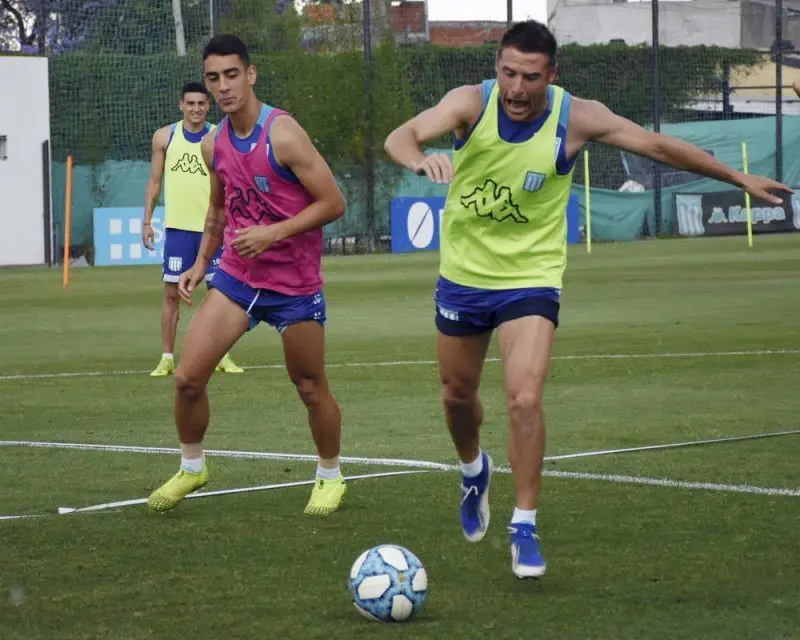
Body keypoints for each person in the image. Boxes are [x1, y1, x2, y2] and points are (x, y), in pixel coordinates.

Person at [384, 20, 792, 579]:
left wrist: (734, 175)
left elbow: (653, 144)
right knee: (457, 398)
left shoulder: (576, 116)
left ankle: (524, 526)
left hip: (531, 276)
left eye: (530, 76)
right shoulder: (468, 104)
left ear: (552, 75)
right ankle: (473, 469)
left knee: (525, 399)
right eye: (508, 73)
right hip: (464, 275)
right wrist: (418, 159)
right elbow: (402, 135)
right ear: (496, 68)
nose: (517, 88)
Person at [147, 34, 347, 516]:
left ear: (251, 75)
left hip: (294, 286)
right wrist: (200, 263)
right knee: (188, 378)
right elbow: (218, 208)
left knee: (309, 385)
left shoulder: (283, 134)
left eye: (231, 75)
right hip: (237, 278)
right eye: (213, 78)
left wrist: (273, 233)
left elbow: (334, 203)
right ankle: (193, 468)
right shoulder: (213, 142)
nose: (223, 86)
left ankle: (330, 474)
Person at [143, 81, 243, 377]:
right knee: (171, 294)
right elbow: (155, 182)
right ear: (181, 105)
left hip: (213, 230)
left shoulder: (218, 137)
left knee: (220, 294)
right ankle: (166, 357)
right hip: (178, 230)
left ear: (208, 106)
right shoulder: (165, 137)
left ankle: (223, 355)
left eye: (201, 104)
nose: (196, 108)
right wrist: (147, 221)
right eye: (191, 103)